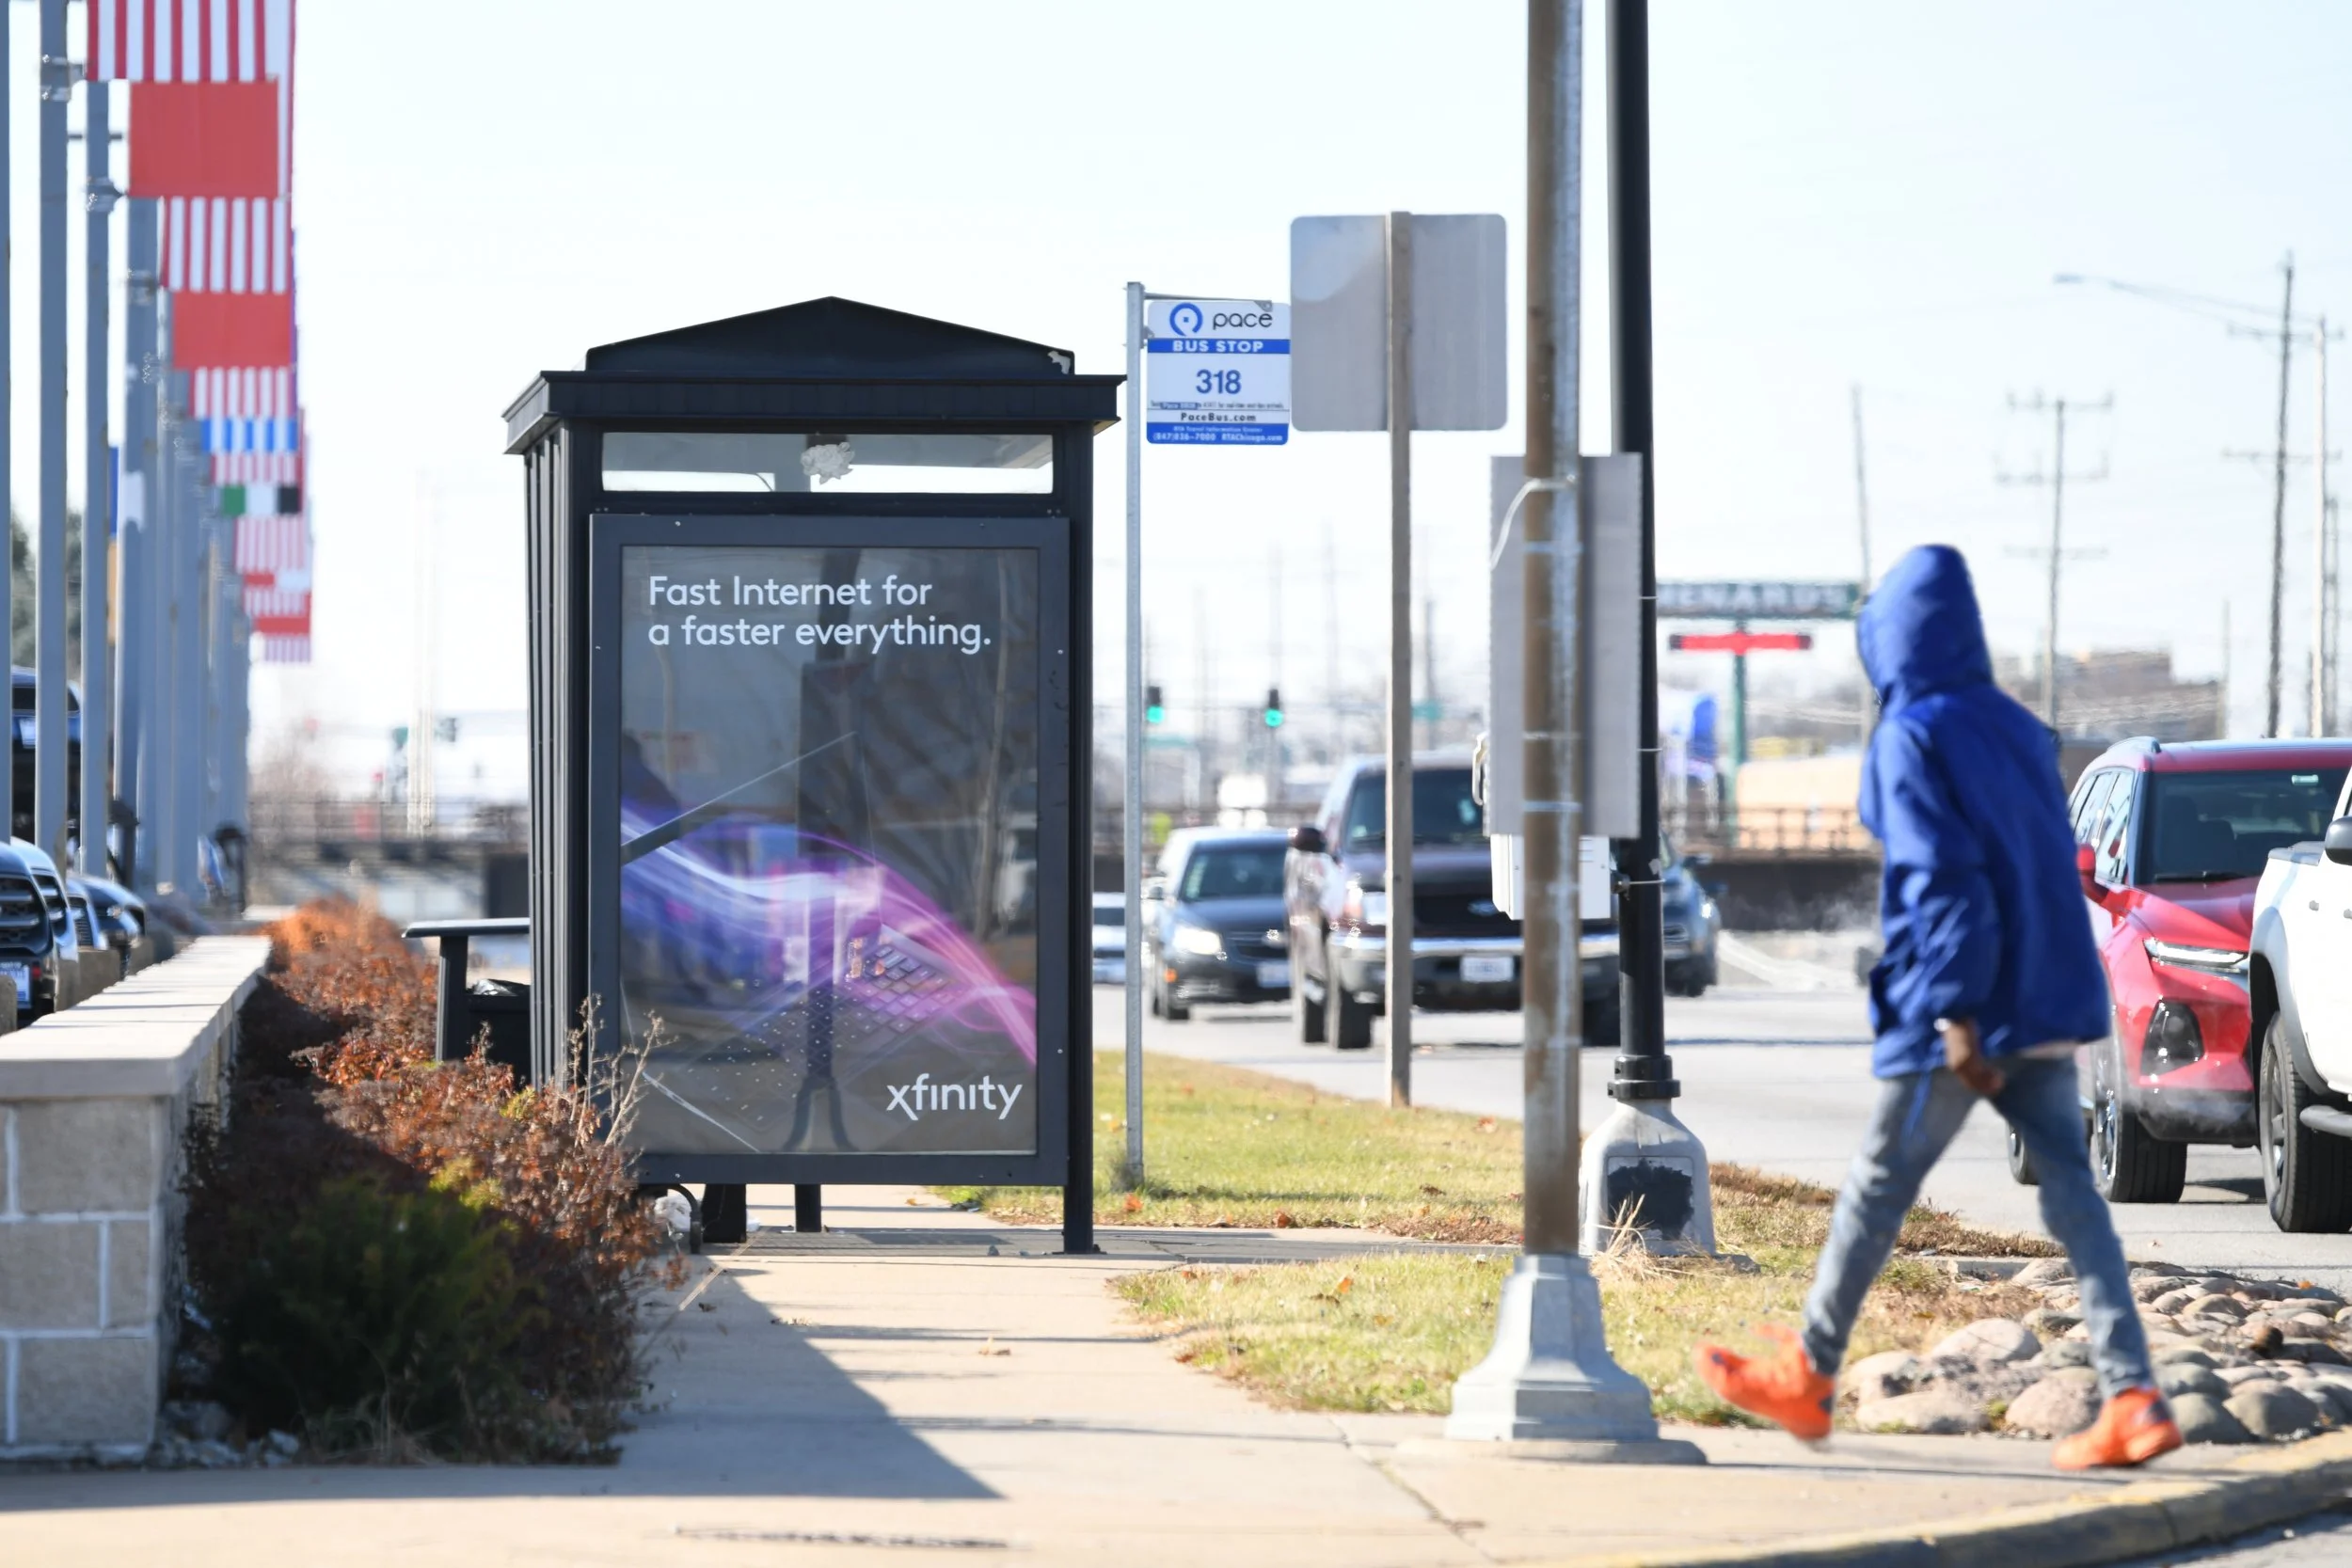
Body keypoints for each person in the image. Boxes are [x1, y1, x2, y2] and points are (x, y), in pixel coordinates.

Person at [1693, 544, 2180, 1471]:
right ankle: (2133, 1396)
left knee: (1878, 1185)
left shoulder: (1910, 735)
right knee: (2077, 1201)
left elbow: (1940, 879)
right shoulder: (2016, 726)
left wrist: (1956, 1016)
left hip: (1964, 1010)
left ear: (1890, 640)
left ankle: (1807, 1372)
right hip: (2044, 994)